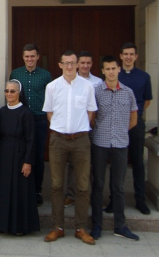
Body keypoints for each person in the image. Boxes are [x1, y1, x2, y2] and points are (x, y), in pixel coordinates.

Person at [43, 50, 97, 245]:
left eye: (72, 63)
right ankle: (58, 227)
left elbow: (91, 112)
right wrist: (63, 129)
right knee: (57, 185)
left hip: (81, 140)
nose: (69, 66)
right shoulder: (52, 87)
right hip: (58, 140)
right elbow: (49, 113)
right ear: (59, 65)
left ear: (77, 65)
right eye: (65, 63)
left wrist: (77, 129)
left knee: (83, 186)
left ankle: (80, 228)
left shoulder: (88, 87)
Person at [90, 56, 139, 241]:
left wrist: (119, 130)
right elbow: (92, 118)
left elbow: (133, 119)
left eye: (113, 68)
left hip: (120, 144)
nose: (111, 71)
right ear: (102, 71)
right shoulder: (96, 92)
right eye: (107, 69)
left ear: (119, 69)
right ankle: (97, 225)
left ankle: (120, 225)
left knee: (118, 186)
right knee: (98, 185)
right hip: (100, 144)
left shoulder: (128, 92)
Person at [109, 42, 152, 215]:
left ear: (136, 57)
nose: (128, 57)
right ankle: (113, 200)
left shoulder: (144, 77)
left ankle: (140, 200)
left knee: (137, 162)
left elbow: (147, 100)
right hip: (116, 123)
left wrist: (134, 116)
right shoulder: (115, 75)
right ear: (120, 56)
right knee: (116, 163)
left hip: (135, 123)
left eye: (131, 54)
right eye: (125, 54)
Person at [0, 80, 39, 235]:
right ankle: (3, 225)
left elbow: (31, 139)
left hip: (20, 155)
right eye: (7, 91)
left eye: (12, 91)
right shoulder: (2, 111)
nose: (9, 94)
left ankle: (19, 226)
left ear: (19, 93)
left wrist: (28, 161)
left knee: (19, 190)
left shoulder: (26, 113)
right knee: (4, 189)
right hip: (4, 155)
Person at [10, 44, 51, 206]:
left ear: (38, 57)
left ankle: (36, 190)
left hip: (39, 120)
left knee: (38, 156)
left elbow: (50, 99)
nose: (30, 59)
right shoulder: (15, 73)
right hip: (20, 119)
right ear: (23, 57)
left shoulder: (46, 75)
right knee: (21, 155)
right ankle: (22, 188)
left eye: (32, 56)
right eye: (27, 56)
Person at [65, 51, 103, 208]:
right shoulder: (71, 81)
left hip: (93, 128)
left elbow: (97, 107)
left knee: (93, 163)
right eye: (82, 63)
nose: (85, 65)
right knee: (73, 163)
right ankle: (71, 195)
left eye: (88, 63)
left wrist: (91, 124)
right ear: (77, 64)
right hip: (76, 129)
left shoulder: (98, 82)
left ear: (92, 64)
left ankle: (93, 197)